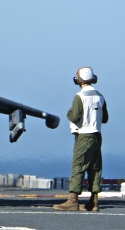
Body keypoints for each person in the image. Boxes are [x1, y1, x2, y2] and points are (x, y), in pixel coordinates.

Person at [53, 66, 108, 212]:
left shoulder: (80, 96)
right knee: (95, 168)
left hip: (84, 135)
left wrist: (69, 113)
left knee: (78, 166)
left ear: (79, 79)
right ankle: (94, 201)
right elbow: (106, 118)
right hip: (97, 136)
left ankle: (73, 200)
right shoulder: (100, 96)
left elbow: (74, 116)